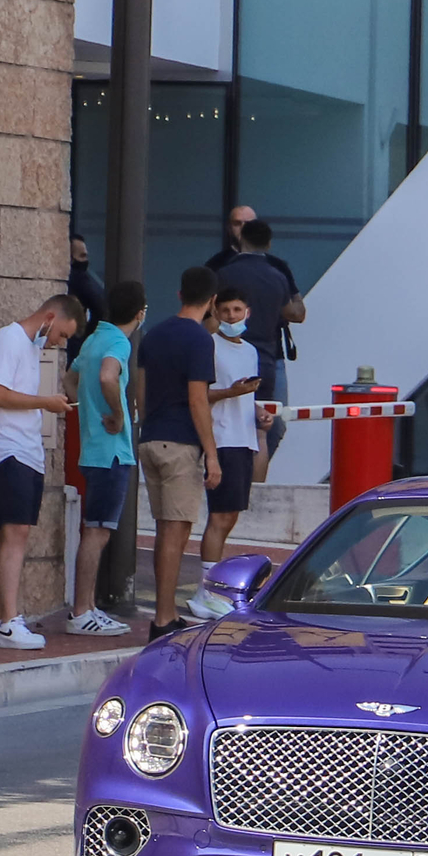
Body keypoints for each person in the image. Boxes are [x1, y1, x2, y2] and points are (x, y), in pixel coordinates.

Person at [0, 295, 82, 648]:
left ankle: (2, 619)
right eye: (62, 334)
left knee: (11, 534)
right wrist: (45, 402)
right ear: (50, 317)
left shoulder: (27, 348)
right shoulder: (10, 339)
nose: (59, 342)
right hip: (7, 449)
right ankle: (7, 620)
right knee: (14, 532)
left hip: (22, 449)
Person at [137, 266, 225, 638]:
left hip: (150, 438)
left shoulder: (153, 334)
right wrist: (212, 453)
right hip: (180, 444)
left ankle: (166, 612)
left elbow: (140, 391)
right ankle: (162, 619)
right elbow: (197, 399)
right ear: (213, 301)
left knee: (163, 531)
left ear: (179, 295)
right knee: (176, 533)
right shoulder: (200, 339)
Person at [63, 279, 145, 636]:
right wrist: (116, 413)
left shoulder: (95, 337)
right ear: (140, 313)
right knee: (98, 532)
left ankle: (88, 608)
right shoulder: (117, 342)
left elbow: (70, 378)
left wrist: (87, 409)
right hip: (112, 451)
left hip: (92, 447)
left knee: (95, 529)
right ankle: (82, 610)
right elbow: (109, 377)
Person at [186, 285, 270, 620]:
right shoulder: (209, 346)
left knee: (231, 515)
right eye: (226, 311)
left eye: (237, 311)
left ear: (247, 312)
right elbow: (200, 395)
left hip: (243, 438)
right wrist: (232, 393)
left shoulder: (250, 351)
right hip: (220, 438)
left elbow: (243, 396)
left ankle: (210, 589)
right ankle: (208, 590)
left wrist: (257, 409)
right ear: (216, 312)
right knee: (220, 516)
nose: (232, 317)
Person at [214, 219, 304, 477]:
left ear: (241, 239)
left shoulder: (223, 272)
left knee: (224, 424)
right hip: (265, 358)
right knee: (263, 429)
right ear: (269, 243)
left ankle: (226, 479)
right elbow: (296, 313)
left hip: (225, 356)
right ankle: (253, 491)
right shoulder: (278, 274)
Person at [66, 231, 108, 332]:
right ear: (70, 258)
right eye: (82, 256)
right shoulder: (79, 278)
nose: (85, 260)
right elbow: (100, 308)